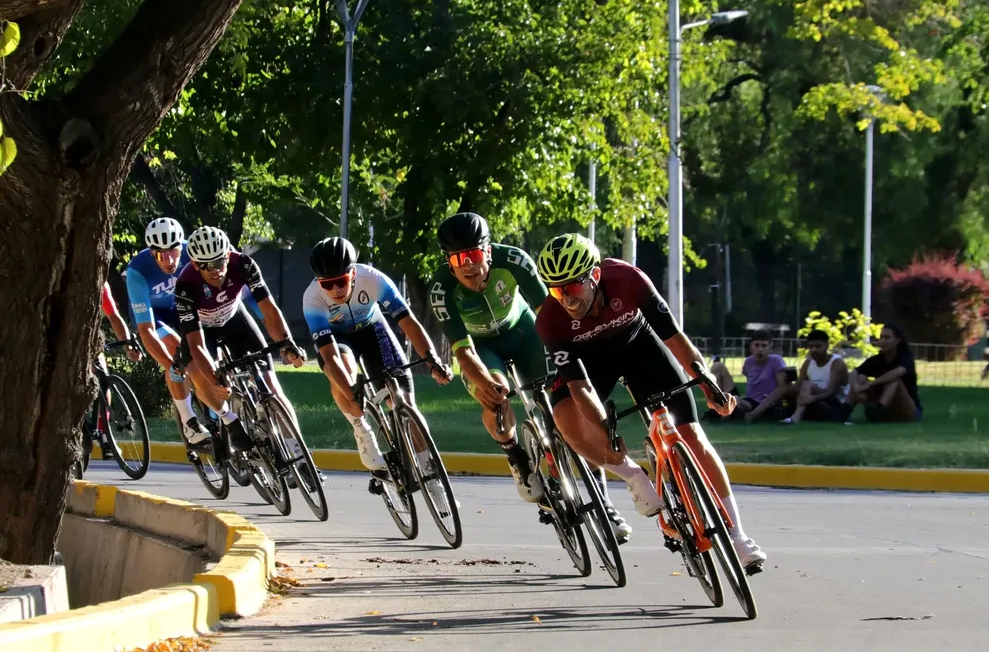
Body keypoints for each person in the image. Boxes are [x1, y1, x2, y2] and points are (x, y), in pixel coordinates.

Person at [533, 233, 766, 569]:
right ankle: (634, 476)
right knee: (566, 420)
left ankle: (739, 537)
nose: (565, 298)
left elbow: (675, 338)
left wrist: (707, 383)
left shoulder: (628, 279)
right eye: (556, 290)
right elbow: (581, 389)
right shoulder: (551, 320)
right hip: (588, 363)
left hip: (638, 345)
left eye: (571, 287)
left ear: (595, 276)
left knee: (694, 438)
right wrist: (606, 432)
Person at [428, 213, 633, 543]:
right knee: (494, 397)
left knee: (573, 406)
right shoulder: (440, 288)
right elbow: (464, 353)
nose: (469, 266)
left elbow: (552, 313)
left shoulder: (514, 260)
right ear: (449, 263)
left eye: (476, 255)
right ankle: (514, 454)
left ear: (488, 253)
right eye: (459, 259)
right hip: (481, 347)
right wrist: (488, 384)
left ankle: (604, 503)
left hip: (524, 331)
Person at [302, 237, 452, 476]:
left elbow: (408, 322)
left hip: (373, 329)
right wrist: (351, 394)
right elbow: (330, 358)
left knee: (403, 401)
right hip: (338, 341)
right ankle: (361, 428)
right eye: (327, 284)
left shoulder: (373, 279)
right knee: (343, 373)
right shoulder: (313, 298)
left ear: (352, 274)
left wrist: (431, 359)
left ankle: (428, 467)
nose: (335, 290)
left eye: (340, 281)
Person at [173, 226, 306, 452]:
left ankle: (299, 453)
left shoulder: (243, 264)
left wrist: (287, 343)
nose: (215, 270)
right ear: (195, 265)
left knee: (272, 386)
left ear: (227, 255)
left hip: (235, 319)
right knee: (199, 374)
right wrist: (215, 382)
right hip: (204, 331)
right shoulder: (185, 286)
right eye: (206, 266)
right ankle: (228, 419)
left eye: (219, 262)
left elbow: (269, 309)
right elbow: (196, 345)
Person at [125, 217, 211, 445]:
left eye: (174, 252)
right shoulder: (137, 270)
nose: (170, 260)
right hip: (153, 315)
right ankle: (189, 420)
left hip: (181, 306)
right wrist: (171, 366)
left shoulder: (192, 252)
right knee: (176, 351)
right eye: (162, 255)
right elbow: (147, 331)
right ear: (152, 253)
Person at [94, 281, 143, 459]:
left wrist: (128, 344)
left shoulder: (101, 286)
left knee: (103, 376)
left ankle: (104, 434)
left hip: (88, 338)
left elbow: (114, 317)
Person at [846, 323, 922, 423]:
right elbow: (853, 373)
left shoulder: (905, 358)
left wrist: (870, 384)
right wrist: (856, 386)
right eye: (881, 337)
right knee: (860, 378)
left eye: (887, 338)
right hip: (888, 410)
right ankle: (844, 412)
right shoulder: (876, 360)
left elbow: (897, 373)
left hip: (908, 410)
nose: (882, 341)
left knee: (894, 381)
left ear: (897, 340)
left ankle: (879, 411)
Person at [779, 330, 849, 424]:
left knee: (807, 385)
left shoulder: (836, 363)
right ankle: (762, 412)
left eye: (818, 346)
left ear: (827, 345)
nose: (814, 350)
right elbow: (798, 387)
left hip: (833, 404)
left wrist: (811, 398)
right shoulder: (808, 363)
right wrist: (788, 384)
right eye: (811, 346)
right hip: (812, 402)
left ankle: (796, 416)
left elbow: (830, 392)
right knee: (787, 388)